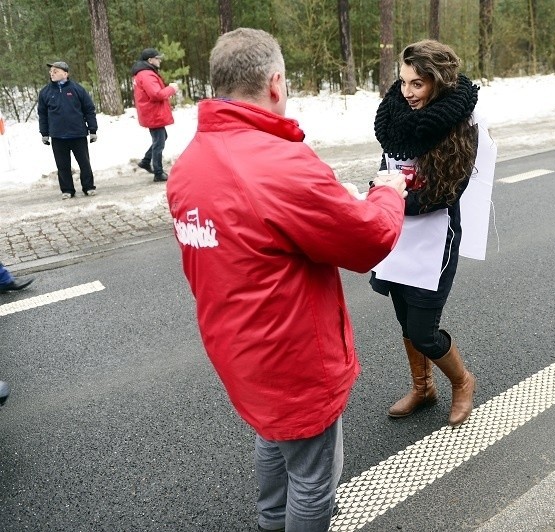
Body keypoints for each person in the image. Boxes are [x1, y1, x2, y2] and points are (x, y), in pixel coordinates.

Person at [166, 28, 406, 532]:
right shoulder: (277, 164)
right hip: (293, 358)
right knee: (315, 481)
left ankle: (270, 521)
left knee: (273, 439)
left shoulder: (190, 161)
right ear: (276, 83)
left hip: (237, 346)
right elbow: (368, 240)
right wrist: (389, 190)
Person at [372, 39, 495, 428]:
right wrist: (378, 192)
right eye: (404, 82)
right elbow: (387, 167)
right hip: (397, 234)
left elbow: (446, 192)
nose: (407, 92)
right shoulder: (395, 115)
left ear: (438, 82)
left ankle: (462, 381)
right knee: (405, 321)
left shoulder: (461, 124)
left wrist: (390, 198)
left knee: (423, 330)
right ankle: (423, 388)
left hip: (435, 237)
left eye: (417, 85)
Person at [37, 61, 98, 200]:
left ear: (65, 73)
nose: (52, 73)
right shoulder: (45, 92)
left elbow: (89, 110)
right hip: (58, 136)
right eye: (51, 71)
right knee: (62, 165)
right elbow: (42, 114)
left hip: (78, 133)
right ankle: (67, 190)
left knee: (84, 163)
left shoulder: (77, 89)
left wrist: (93, 129)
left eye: (55, 71)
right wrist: (44, 133)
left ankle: (88, 187)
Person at [132, 48, 179, 182]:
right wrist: (172, 89)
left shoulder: (143, 73)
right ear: (150, 60)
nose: (160, 60)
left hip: (150, 112)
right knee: (159, 141)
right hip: (153, 113)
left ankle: (146, 161)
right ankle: (158, 172)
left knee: (162, 137)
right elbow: (156, 94)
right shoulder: (146, 74)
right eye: (157, 58)